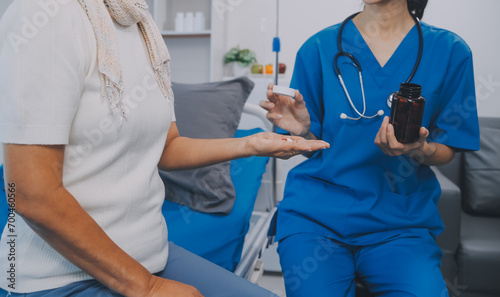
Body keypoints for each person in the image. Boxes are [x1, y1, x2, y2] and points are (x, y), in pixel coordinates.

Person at [0, 0, 329, 297]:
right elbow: (30, 193)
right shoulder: (46, 13)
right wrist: (147, 287)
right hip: (61, 275)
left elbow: (167, 147)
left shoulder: (142, 26)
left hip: (148, 255)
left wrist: (251, 144)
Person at [260, 0, 479, 296]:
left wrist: (419, 149)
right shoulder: (319, 48)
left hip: (400, 223)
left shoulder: (450, 51)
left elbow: (448, 148)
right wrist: (303, 131)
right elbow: (313, 145)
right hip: (316, 217)